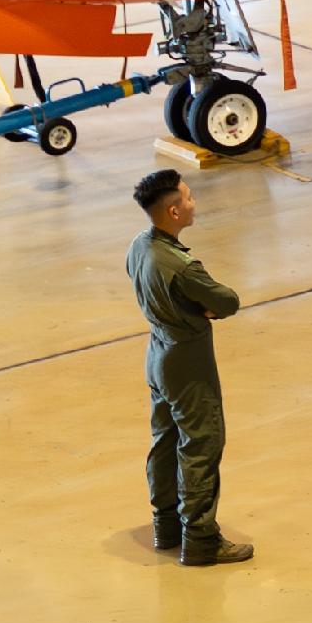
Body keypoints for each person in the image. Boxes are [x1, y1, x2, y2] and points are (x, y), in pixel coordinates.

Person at [128, 169, 249, 566]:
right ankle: (199, 539)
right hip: (188, 364)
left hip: (157, 356)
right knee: (200, 446)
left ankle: (166, 526)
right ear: (175, 211)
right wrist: (204, 308)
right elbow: (227, 300)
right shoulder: (182, 267)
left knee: (163, 442)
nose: (195, 201)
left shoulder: (140, 247)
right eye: (190, 197)